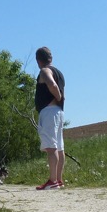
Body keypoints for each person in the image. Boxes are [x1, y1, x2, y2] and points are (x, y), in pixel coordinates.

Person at [34, 46, 65, 190]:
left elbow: (51, 84)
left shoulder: (45, 71)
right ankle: (58, 180)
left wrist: (57, 95)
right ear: (51, 58)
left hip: (49, 111)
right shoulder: (59, 72)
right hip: (58, 112)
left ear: (38, 60)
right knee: (59, 146)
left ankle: (52, 181)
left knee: (51, 147)